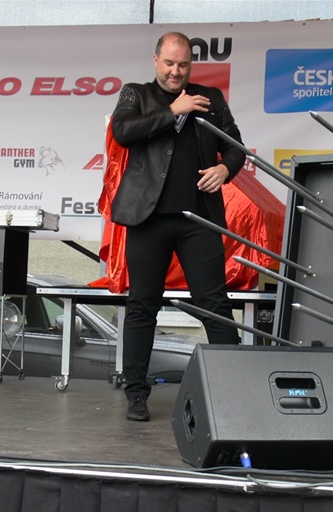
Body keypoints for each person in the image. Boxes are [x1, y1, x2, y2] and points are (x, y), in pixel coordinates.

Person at [110, 31, 246, 421]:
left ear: (191, 65)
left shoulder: (211, 98)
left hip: (198, 219)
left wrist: (225, 169)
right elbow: (123, 132)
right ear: (156, 60)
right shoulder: (136, 94)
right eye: (169, 63)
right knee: (142, 305)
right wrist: (174, 110)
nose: (176, 71)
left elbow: (235, 146)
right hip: (147, 218)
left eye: (183, 64)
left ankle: (234, 393)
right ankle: (136, 394)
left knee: (215, 305)